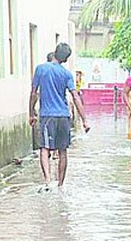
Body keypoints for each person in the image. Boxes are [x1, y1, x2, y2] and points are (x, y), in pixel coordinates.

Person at [29, 43, 89, 190]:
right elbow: (75, 96)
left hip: (47, 115)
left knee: (44, 148)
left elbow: (34, 93)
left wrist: (31, 112)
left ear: (54, 53)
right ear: (66, 59)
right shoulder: (66, 74)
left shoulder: (41, 69)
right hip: (63, 115)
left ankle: (48, 181)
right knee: (63, 150)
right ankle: (61, 185)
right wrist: (84, 120)